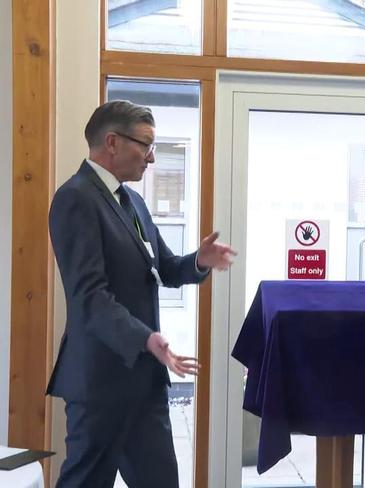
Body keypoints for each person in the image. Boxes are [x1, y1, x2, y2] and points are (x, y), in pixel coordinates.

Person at [47, 100, 236, 488]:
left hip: (145, 384)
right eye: (145, 145)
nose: (151, 158)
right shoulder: (75, 199)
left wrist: (198, 261)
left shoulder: (132, 201)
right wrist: (145, 338)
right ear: (112, 142)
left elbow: (164, 267)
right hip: (101, 384)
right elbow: (90, 297)